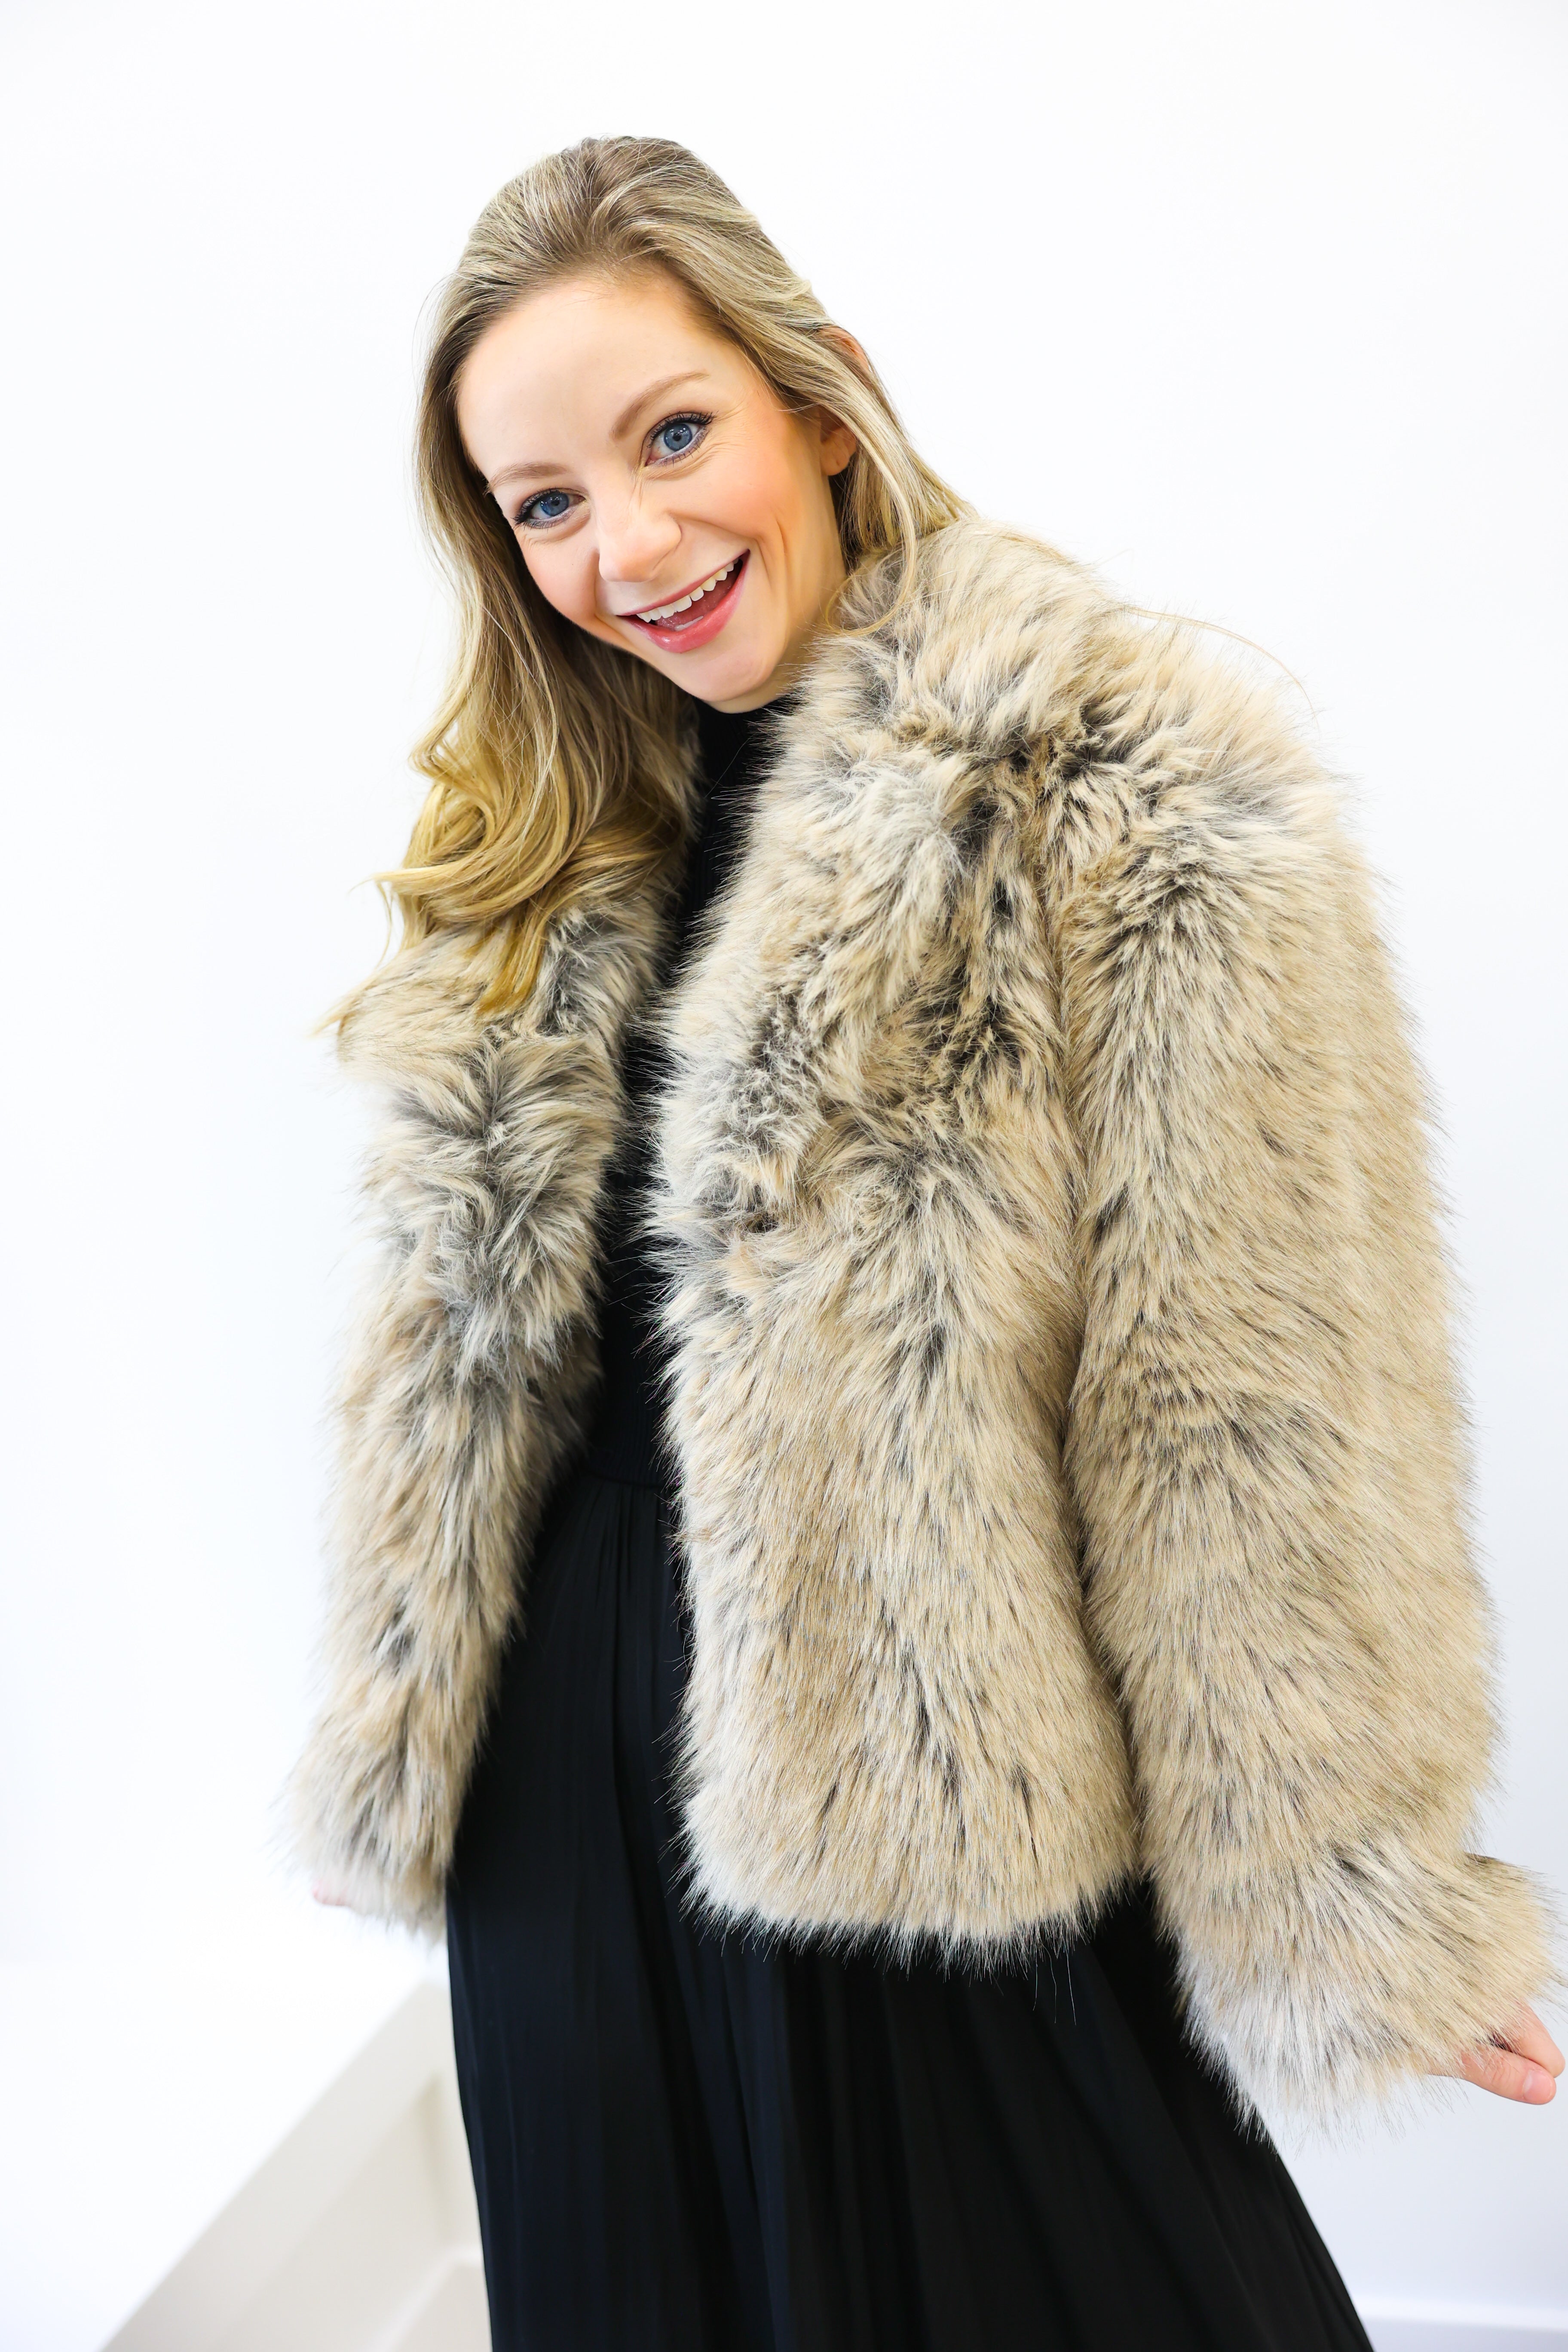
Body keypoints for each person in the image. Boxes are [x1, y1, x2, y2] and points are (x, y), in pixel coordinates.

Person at [292, 136, 1560, 2351]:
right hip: (566, 1852)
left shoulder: (1128, 779)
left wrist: (1348, 1888)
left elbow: (1245, 1399)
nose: (635, 543)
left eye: (674, 434)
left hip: (936, 1838)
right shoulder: (565, 840)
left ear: (822, 390)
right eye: (547, 502)